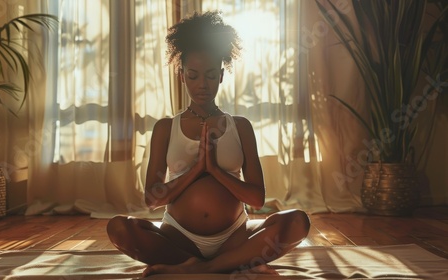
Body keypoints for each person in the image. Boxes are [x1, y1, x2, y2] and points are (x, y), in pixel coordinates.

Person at [107, 11, 310, 277]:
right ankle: (228, 264)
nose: (202, 84)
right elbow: (152, 199)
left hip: (234, 237)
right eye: (193, 75)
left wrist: (215, 171)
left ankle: (197, 268)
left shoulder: (241, 126)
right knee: (119, 228)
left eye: (211, 75)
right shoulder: (166, 128)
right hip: (177, 237)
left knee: (297, 221)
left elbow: (257, 199)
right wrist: (196, 170)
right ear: (181, 75)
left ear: (222, 75)